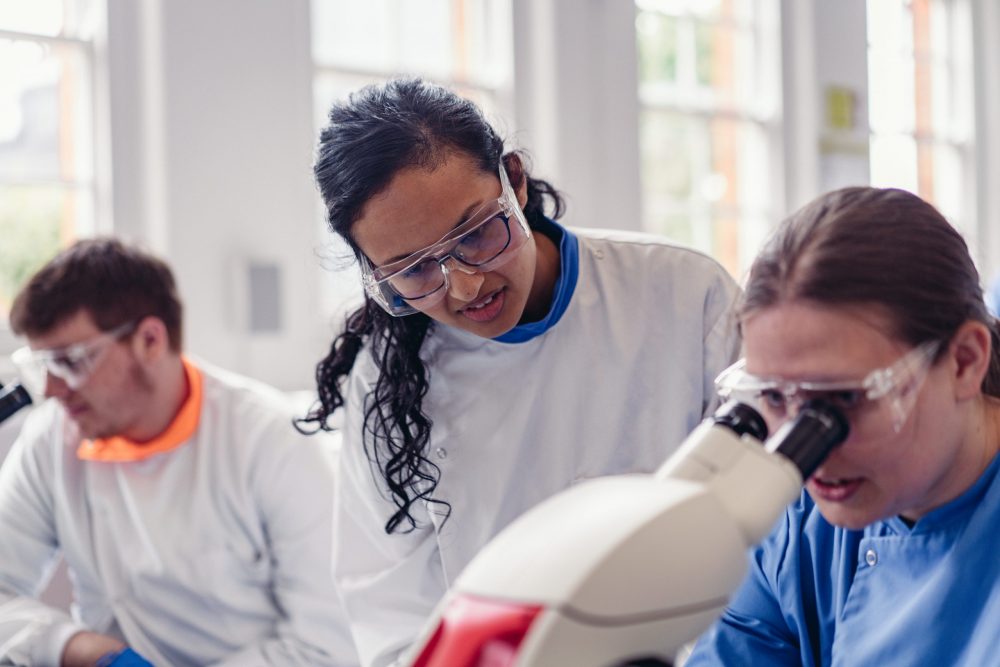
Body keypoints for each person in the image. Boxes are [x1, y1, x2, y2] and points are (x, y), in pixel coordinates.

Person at [298, 77, 742, 666]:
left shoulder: (684, 294)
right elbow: (394, 617)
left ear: (515, 180)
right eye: (414, 270)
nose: (466, 286)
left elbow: (758, 535)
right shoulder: (385, 382)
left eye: (476, 233)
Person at [0, 238, 359, 666]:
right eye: (43, 365)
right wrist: (76, 647)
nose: (51, 390)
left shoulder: (275, 444)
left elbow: (327, 647)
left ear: (150, 340)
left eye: (70, 362)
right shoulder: (51, 439)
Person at [686, 187, 1000, 665]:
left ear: (964, 361)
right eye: (774, 396)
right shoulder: (797, 524)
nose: (807, 451)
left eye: (844, 399)